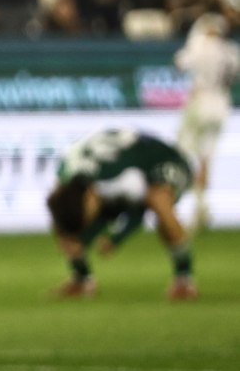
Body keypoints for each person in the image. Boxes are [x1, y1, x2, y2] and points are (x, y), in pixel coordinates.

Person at [46, 129, 199, 301]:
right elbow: (67, 214)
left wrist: (116, 239)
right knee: (64, 225)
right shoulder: (65, 176)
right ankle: (81, 279)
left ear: (89, 196)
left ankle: (184, 278)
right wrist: (75, 236)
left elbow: (139, 211)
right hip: (116, 164)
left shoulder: (120, 178)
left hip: (165, 159)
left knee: (158, 199)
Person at [174, 14, 240, 232]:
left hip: (201, 101)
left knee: (182, 152)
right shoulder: (231, 51)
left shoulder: (200, 45)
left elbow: (180, 63)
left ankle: (174, 202)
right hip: (222, 104)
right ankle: (201, 207)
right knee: (206, 158)